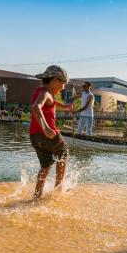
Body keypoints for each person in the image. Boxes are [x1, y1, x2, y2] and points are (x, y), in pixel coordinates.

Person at [29, 65, 73, 199]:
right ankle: (58, 190)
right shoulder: (45, 93)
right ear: (54, 80)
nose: (64, 86)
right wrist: (46, 128)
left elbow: (52, 102)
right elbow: (36, 107)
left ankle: (37, 195)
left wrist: (65, 107)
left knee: (46, 165)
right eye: (63, 83)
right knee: (64, 152)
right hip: (46, 133)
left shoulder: (45, 92)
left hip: (34, 136)